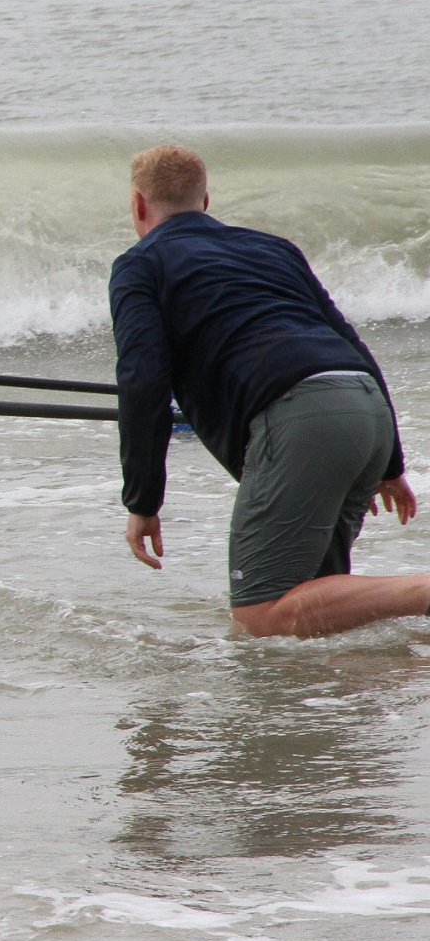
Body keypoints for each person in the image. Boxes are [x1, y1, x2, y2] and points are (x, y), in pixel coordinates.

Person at [110, 144, 426, 638]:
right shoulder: (273, 249)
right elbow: (351, 344)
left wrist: (143, 501)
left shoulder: (141, 265)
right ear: (206, 200)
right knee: (320, 614)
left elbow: (142, 382)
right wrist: (389, 465)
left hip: (303, 421)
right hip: (365, 407)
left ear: (137, 204)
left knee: (263, 612)